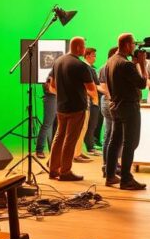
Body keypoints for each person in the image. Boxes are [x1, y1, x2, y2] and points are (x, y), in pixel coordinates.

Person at [48, 37, 97, 181]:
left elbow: (52, 85)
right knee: (70, 139)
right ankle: (65, 171)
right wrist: (92, 98)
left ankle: (53, 169)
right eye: (84, 46)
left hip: (61, 107)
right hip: (76, 108)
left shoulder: (58, 62)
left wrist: (63, 94)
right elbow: (91, 88)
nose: (85, 49)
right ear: (78, 47)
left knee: (59, 137)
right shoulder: (81, 65)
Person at [104, 33, 149, 190]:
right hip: (129, 107)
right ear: (127, 45)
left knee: (115, 141)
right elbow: (143, 83)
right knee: (131, 143)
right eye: (133, 45)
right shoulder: (126, 64)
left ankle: (110, 176)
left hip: (116, 106)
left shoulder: (110, 61)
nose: (135, 48)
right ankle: (126, 179)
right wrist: (142, 64)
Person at [98, 47, 118, 176]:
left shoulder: (108, 67)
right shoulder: (105, 68)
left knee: (111, 135)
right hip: (109, 103)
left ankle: (111, 163)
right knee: (110, 135)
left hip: (110, 102)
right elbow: (104, 88)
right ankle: (107, 165)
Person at [82, 47, 102, 156]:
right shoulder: (85, 68)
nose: (95, 57)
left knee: (93, 124)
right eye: (94, 55)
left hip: (94, 100)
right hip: (91, 101)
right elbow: (93, 86)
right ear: (87, 56)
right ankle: (90, 148)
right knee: (91, 125)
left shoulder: (91, 68)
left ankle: (91, 146)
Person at [35, 74, 56, 159]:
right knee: (47, 124)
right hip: (51, 98)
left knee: (56, 125)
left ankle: (53, 149)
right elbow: (48, 89)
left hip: (59, 98)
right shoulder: (47, 72)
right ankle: (39, 150)